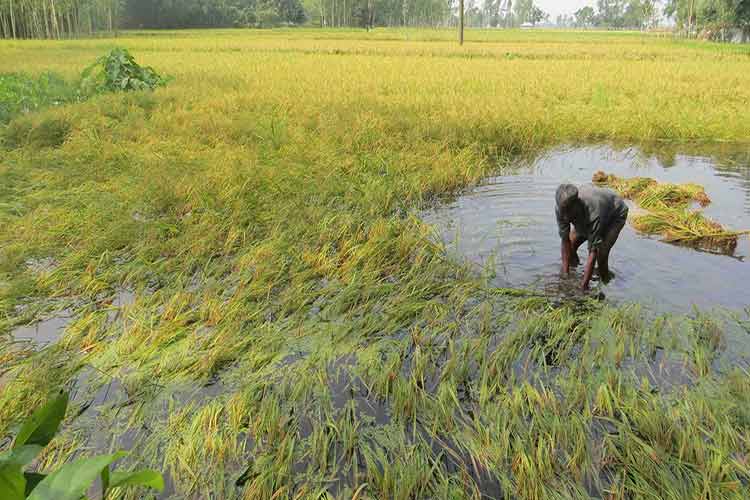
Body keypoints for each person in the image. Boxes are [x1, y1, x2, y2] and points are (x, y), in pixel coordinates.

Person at [555, 183, 628, 291]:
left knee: (601, 253)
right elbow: (565, 240)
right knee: (571, 245)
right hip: (585, 215)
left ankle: (606, 281)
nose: (565, 217)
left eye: (568, 211)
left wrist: (583, 287)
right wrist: (565, 276)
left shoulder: (593, 212)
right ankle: (575, 270)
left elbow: (593, 251)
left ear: (577, 204)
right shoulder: (561, 209)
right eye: (563, 212)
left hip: (614, 214)